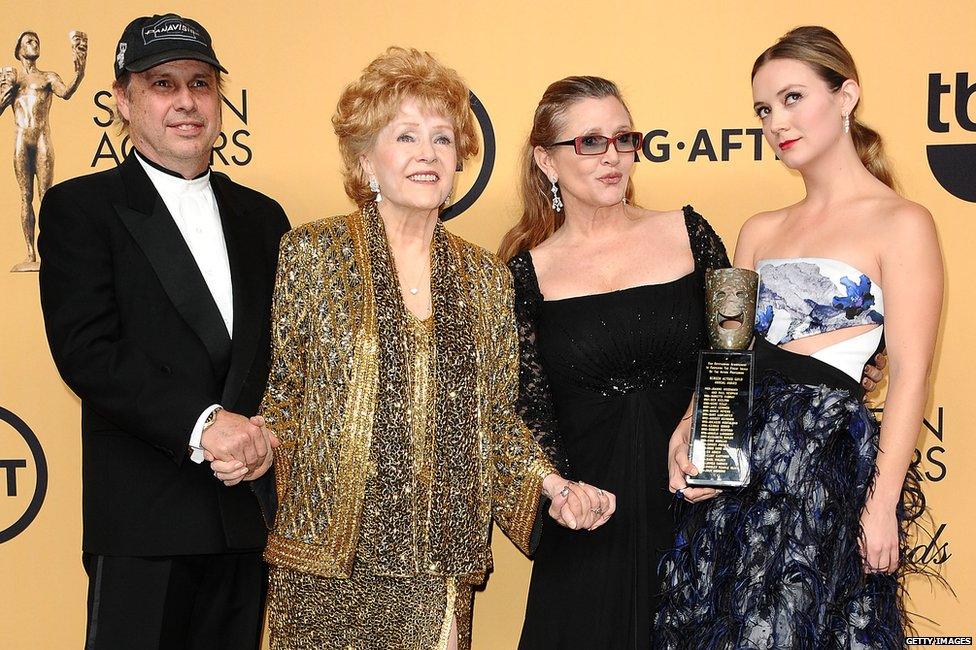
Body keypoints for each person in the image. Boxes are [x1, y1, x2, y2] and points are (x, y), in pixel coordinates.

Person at [212, 47, 614, 650]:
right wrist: (259, 446)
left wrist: (553, 488)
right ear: (365, 159)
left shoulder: (485, 279)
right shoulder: (312, 254)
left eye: (443, 138)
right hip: (328, 564)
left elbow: (497, 423)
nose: (427, 154)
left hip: (438, 570)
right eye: (405, 136)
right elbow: (290, 397)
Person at [655, 26, 942, 648]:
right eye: (763, 109)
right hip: (739, 476)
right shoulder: (758, 232)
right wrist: (691, 431)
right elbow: (731, 362)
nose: (775, 122)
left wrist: (882, 502)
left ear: (846, 96)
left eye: (791, 99)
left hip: (819, 468)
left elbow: (913, 375)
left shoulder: (903, 223)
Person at [38, 13, 287, 649]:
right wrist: (207, 424)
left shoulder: (264, 218)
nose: (185, 101)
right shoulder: (80, 208)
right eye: (161, 83)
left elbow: (289, 357)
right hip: (143, 524)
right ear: (122, 100)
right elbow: (87, 352)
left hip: (246, 522)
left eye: (200, 83)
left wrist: (268, 437)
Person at [498, 76, 728, 650]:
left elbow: (734, 356)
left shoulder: (689, 233)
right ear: (545, 160)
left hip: (697, 506)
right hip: (591, 522)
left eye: (624, 139)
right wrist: (558, 494)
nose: (613, 158)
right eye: (590, 142)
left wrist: (713, 449)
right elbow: (520, 413)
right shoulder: (524, 276)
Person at [1, 29, 86, 272]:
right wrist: (5, 90)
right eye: (28, 41)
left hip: (41, 140)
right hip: (21, 140)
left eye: (36, 40)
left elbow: (66, 92)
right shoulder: (12, 80)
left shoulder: (48, 77)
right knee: (25, 196)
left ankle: (51, 250)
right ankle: (30, 253)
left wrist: (80, 72)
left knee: (47, 197)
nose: (34, 44)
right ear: (19, 50)